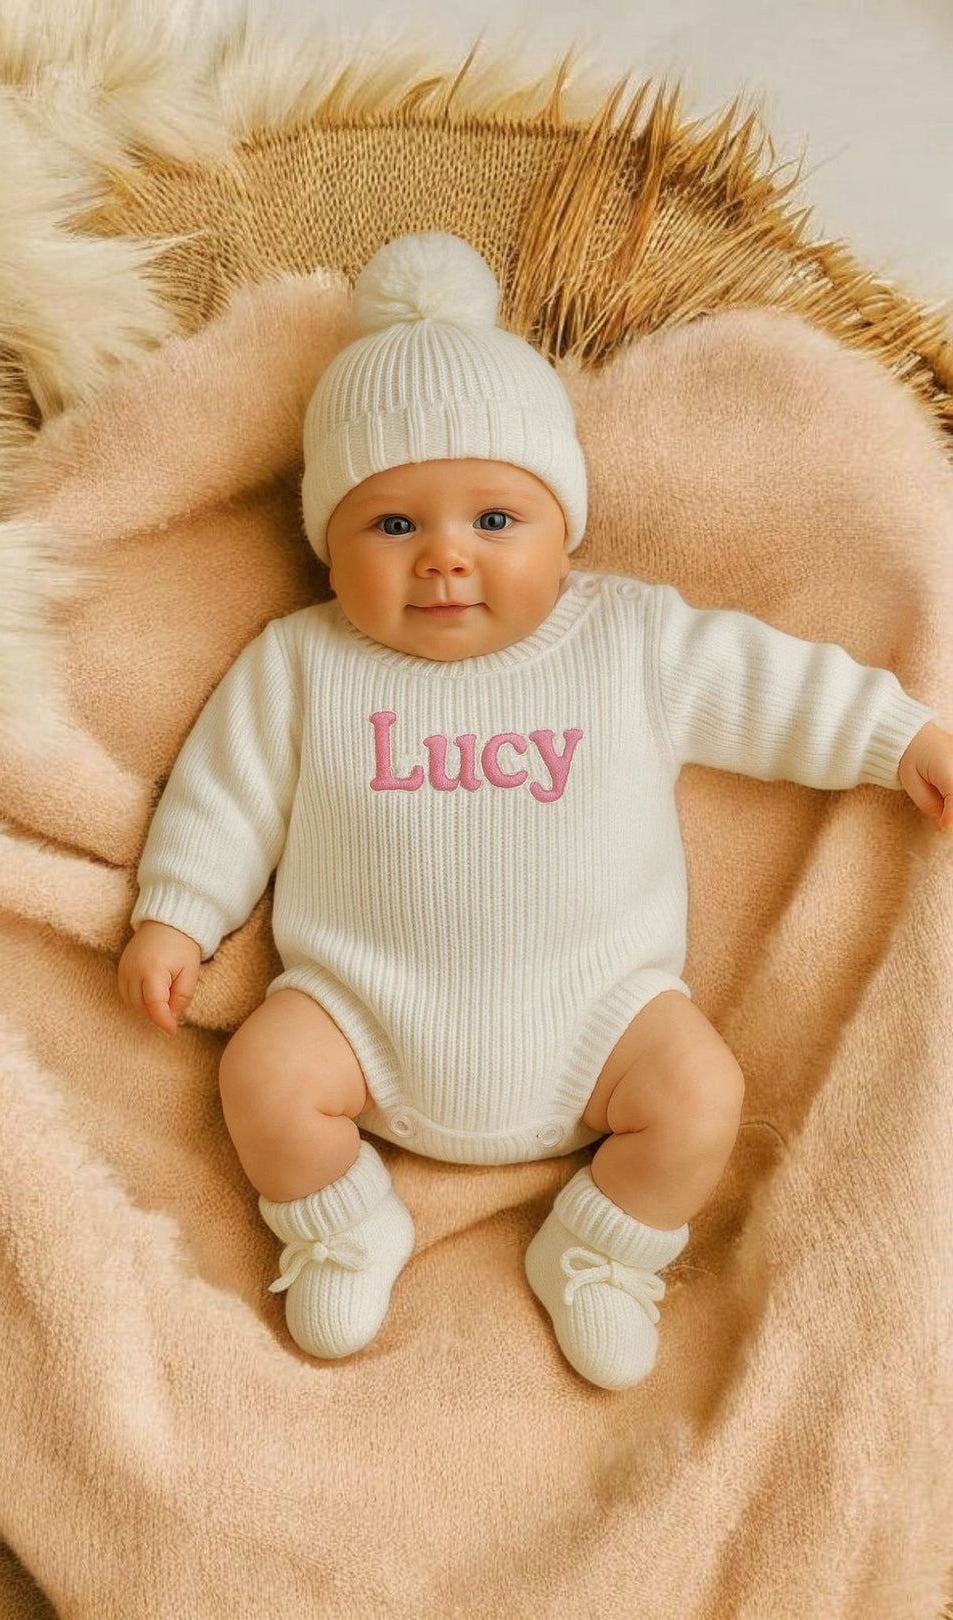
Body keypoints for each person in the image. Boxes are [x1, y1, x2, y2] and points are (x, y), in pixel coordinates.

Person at [117, 232, 953, 1389]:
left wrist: (900, 739)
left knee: (701, 1097)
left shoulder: (630, 640)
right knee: (263, 1074)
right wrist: (177, 913)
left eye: (495, 522)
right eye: (393, 526)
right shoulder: (303, 663)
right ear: (326, 546)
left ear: (567, 529)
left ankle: (601, 1252)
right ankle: (344, 1223)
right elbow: (225, 790)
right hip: (361, 1010)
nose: (445, 559)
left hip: (604, 1017)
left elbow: (773, 686)